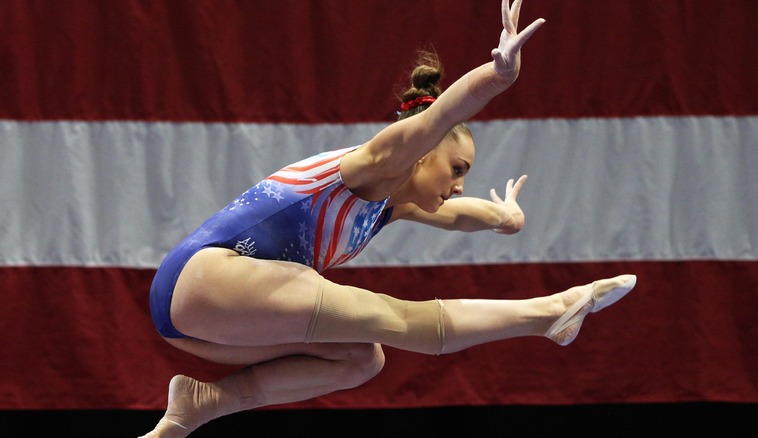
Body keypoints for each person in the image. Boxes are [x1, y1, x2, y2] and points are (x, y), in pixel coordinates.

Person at [141, 1, 637, 437]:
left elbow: (462, 214)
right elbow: (437, 120)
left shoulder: (390, 205)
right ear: (421, 156)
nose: (459, 184)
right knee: (394, 317)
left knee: (360, 358)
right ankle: (549, 312)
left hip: (197, 323)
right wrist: (497, 77)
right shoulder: (369, 165)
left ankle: (201, 406)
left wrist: (505, 217)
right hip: (203, 277)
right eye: (456, 169)